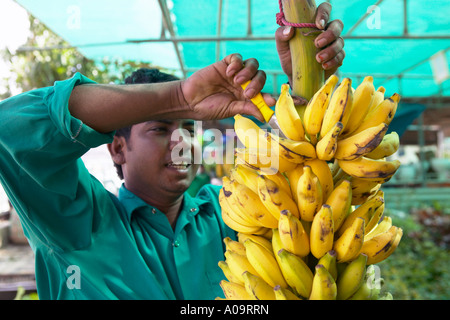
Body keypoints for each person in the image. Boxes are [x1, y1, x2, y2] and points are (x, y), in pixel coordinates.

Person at [0, 3, 344, 300]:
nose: (183, 142)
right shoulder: (77, 223)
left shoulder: (228, 210)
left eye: (190, 128)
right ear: (118, 148)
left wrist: (309, 78)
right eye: (161, 129)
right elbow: (13, 128)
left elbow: (309, 197)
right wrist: (179, 97)